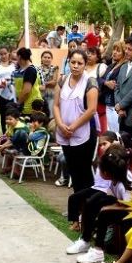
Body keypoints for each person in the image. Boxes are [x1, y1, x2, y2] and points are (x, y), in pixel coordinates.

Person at [65, 143, 132, 259]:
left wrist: (109, 208)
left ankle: (98, 251)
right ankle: (85, 240)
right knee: (92, 204)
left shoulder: (122, 183)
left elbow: (131, 207)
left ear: (106, 173)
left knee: (104, 213)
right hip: (126, 209)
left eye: (100, 169)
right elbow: (117, 200)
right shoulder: (114, 179)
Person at [53, 48, 98, 193]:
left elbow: (91, 110)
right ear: (68, 63)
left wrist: (72, 127)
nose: (76, 66)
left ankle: (88, 207)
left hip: (84, 133)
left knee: (84, 170)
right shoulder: (63, 80)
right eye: (73, 62)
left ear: (85, 64)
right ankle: (77, 206)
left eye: (80, 63)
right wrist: (60, 125)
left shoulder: (90, 82)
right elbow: (56, 105)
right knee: (72, 168)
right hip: (64, 132)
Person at [99, 40, 125, 133]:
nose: (114, 52)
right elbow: (99, 79)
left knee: (116, 134)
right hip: (107, 103)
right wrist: (106, 83)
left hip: (116, 105)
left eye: (118, 50)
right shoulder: (111, 66)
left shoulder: (124, 67)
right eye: (114, 49)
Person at [12, 48, 42, 116]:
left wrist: (17, 104)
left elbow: (26, 91)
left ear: (19, 57)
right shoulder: (29, 69)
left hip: (29, 108)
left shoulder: (30, 71)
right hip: (29, 106)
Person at [38, 50, 60, 115]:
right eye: (45, 57)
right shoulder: (37, 69)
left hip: (51, 95)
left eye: (49, 57)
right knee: (41, 114)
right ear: (41, 58)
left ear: (51, 59)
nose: (47, 59)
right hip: (40, 95)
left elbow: (54, 82)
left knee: (51, 114)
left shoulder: (55, 68)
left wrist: (44, 84)